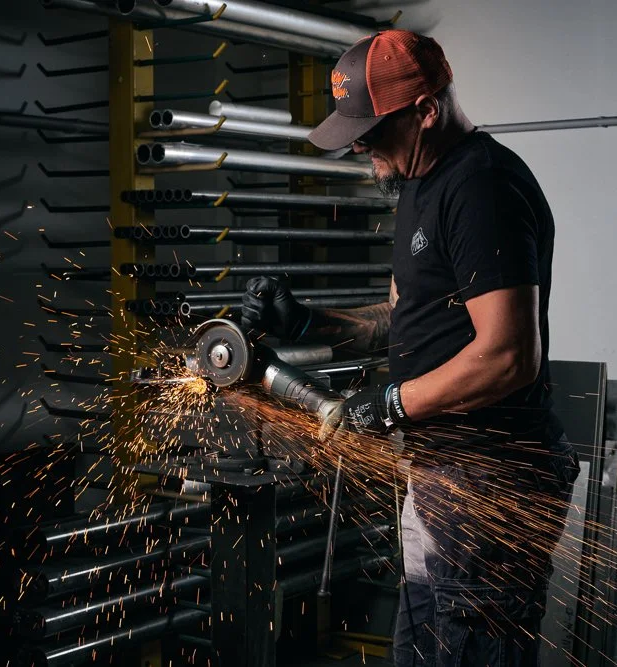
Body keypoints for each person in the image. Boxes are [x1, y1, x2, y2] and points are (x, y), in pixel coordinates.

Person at [240, 30, 579, 667]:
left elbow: (509, 355)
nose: (360, 145)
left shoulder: (481, 187)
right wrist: (307, 321)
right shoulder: (419, 180)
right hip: (440, 477)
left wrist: (391, 404)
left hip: (489, 482)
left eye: (370, 131)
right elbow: (403, 318)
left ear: (427, 109)